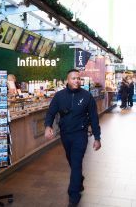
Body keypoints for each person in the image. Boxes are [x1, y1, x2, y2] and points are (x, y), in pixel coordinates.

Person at [44, 69, 101, 207]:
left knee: (76, 162)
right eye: (73, 78)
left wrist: (97, 137)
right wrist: (47, 126)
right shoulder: (59, 96)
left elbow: (94, 118)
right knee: (72, 161)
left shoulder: (87, 96)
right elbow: (51, 112)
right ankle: (79, 179)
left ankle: (73, 195)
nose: (77, 81)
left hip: (80, 135)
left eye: (78, 78)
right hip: (65, 135)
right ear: (67, 80)